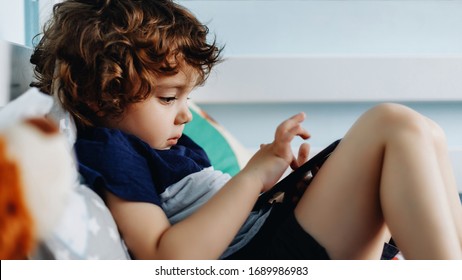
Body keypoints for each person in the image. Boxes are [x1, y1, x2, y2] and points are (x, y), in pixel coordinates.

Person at [30, 0, 462, 260]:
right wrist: (252, 175)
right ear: (95, 97)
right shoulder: (111, 149)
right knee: (392, 125)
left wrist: (278, 183)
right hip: (262, 256)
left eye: (187, 99)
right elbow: (168, 258)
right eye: (168, 99)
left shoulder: (161, 139)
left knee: (423, 134)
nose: (185, 115)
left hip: (272, 229)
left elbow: (216, 210)